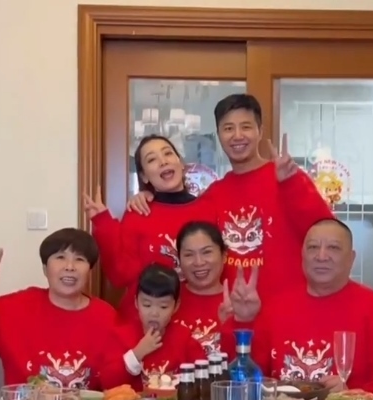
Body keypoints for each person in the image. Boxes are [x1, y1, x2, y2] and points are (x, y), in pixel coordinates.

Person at [126, 94, 333, 303]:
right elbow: (179, 232)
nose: (237, 135)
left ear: (260, 131)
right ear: (219, 135)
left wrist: (292, 184)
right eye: (228, 128)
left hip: (286, 309)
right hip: (230, 313)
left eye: (246, 127)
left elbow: (328, 234)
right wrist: (149, 198)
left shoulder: (286, 178)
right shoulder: (214, 194)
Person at [221, 218, 373, 400]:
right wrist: (243, 320)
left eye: (333, 248)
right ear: (302, 255)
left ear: (351, 258)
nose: (321, 256)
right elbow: (240, 380)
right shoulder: (274, 308)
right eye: (313, 247)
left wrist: (353, 395)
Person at [0, 229, 129, 390]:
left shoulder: (107, 317)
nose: (70, 267)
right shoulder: (14, 309)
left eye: (79, 259)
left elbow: (118, 384)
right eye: (60, 257)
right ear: (45, 269)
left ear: (89, 271)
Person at [85, 135, 216, 323]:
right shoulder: (139, 211)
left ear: (181, 163)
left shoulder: (209, 208)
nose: (163, 162)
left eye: (168, 154)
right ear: (144, 176)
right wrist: (103, 221)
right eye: (152, 159)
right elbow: (120, 275)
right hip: (148, 322)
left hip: (199, 317)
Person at [110, 263, 206, 391]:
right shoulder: (121, 336)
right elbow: (108, 382)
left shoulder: (184, 339)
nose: (154, 313)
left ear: (176, 306)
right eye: (147, 305)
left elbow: (202, 379)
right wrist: (137, 353)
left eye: (163, 306)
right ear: (136, 302)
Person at [173, 221, 231, 357]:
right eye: (189, 255)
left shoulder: (239, 303)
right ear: (179, 260)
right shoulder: (167, 300)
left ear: (224, 255)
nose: (199, 262)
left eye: (207, 252)